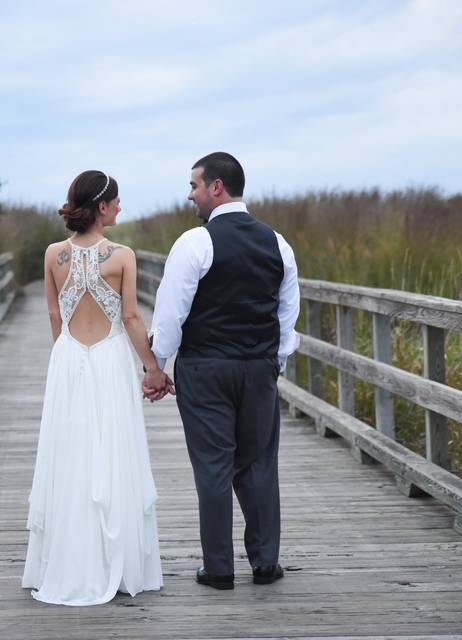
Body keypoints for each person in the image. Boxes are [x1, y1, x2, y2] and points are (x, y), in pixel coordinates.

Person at [143, 152, 300, 590]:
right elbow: (287, 314)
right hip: (258, 369)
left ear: (216, 187)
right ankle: (266, 563)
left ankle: (219, 569)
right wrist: (275, 362)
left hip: (206, 368)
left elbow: (170, 315)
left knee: (213, 466)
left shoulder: (195, 243)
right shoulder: (278, 243)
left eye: (194, 185)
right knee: (259, 464)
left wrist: (157, 368)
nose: (190, 194)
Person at [22, 170, 166, 605]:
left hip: (68, 358)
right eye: (117, 201)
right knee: (114, 455)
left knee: (69, 456)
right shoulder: (122, 255)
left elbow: (53, 316)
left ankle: (65, 561)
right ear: (102, 207)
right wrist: (152, 368)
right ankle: (116, 564)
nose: (121, 207)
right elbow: (132, 318)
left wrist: (67, 356)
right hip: (109, 360)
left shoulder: (52, 254)